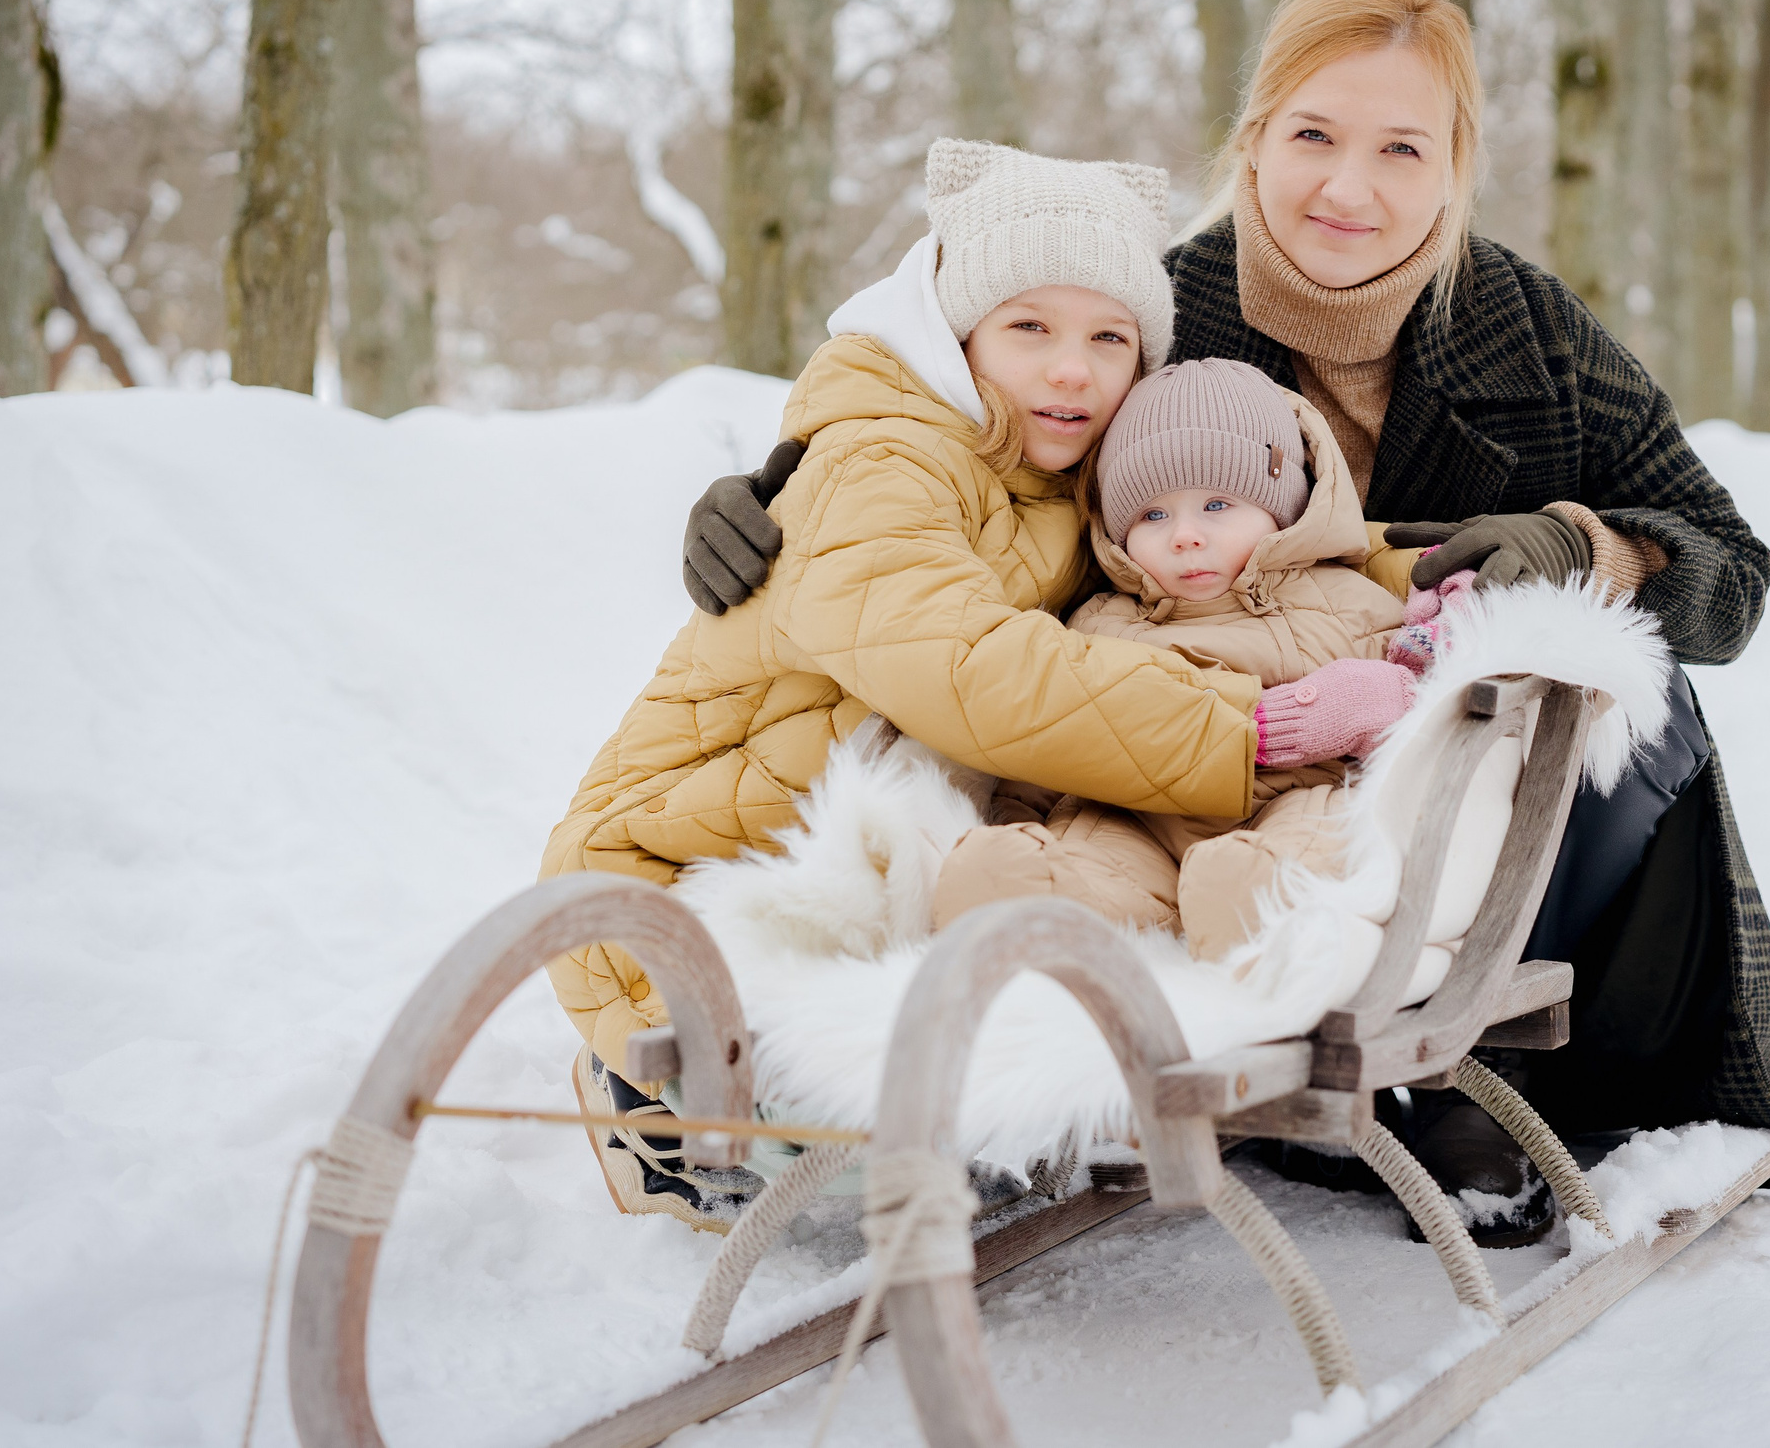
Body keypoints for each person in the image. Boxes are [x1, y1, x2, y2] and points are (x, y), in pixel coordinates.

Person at [680, 0, 1770, 1201]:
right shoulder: (1164, 311)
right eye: (1313, 137)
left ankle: (1464, 1058)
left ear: (1454, 168)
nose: (1350, 188)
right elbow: (1003, 442)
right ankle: (1187, 994)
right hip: (1219, 762)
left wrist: (1588, 550)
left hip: (1453, 782)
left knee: (1607, 692)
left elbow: (1732, 576)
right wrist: (795, 487)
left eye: (1402, 148)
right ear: (1253, 141)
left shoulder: (1530, 334)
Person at [542, 139, 1391, 1225]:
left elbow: (1235, 551)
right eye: (1028, 327)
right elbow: (969, 669)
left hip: (888, 841)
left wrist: (1425, 575)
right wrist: (1249, 728)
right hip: (684, 872)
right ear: (954, 331)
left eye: (1108, 337)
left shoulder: (1053, 464)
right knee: (867, 1156)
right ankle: (647, 1109)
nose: (1072, 369)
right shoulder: (883, 462)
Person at [930, 356, 1418, 956]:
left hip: (1294, 797)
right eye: (1153, 515)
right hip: (1136, 813)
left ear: (1285, 506)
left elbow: (1422, 688)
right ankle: (1027, 907)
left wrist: (1406, 684)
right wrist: (1017, 809)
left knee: (1317, 835)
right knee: (1086, 856)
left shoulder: (1345, 600)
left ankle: (1263, 905)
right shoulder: (1100, 620)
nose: (1185, 535)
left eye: (1217, 506)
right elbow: (1062, 726)